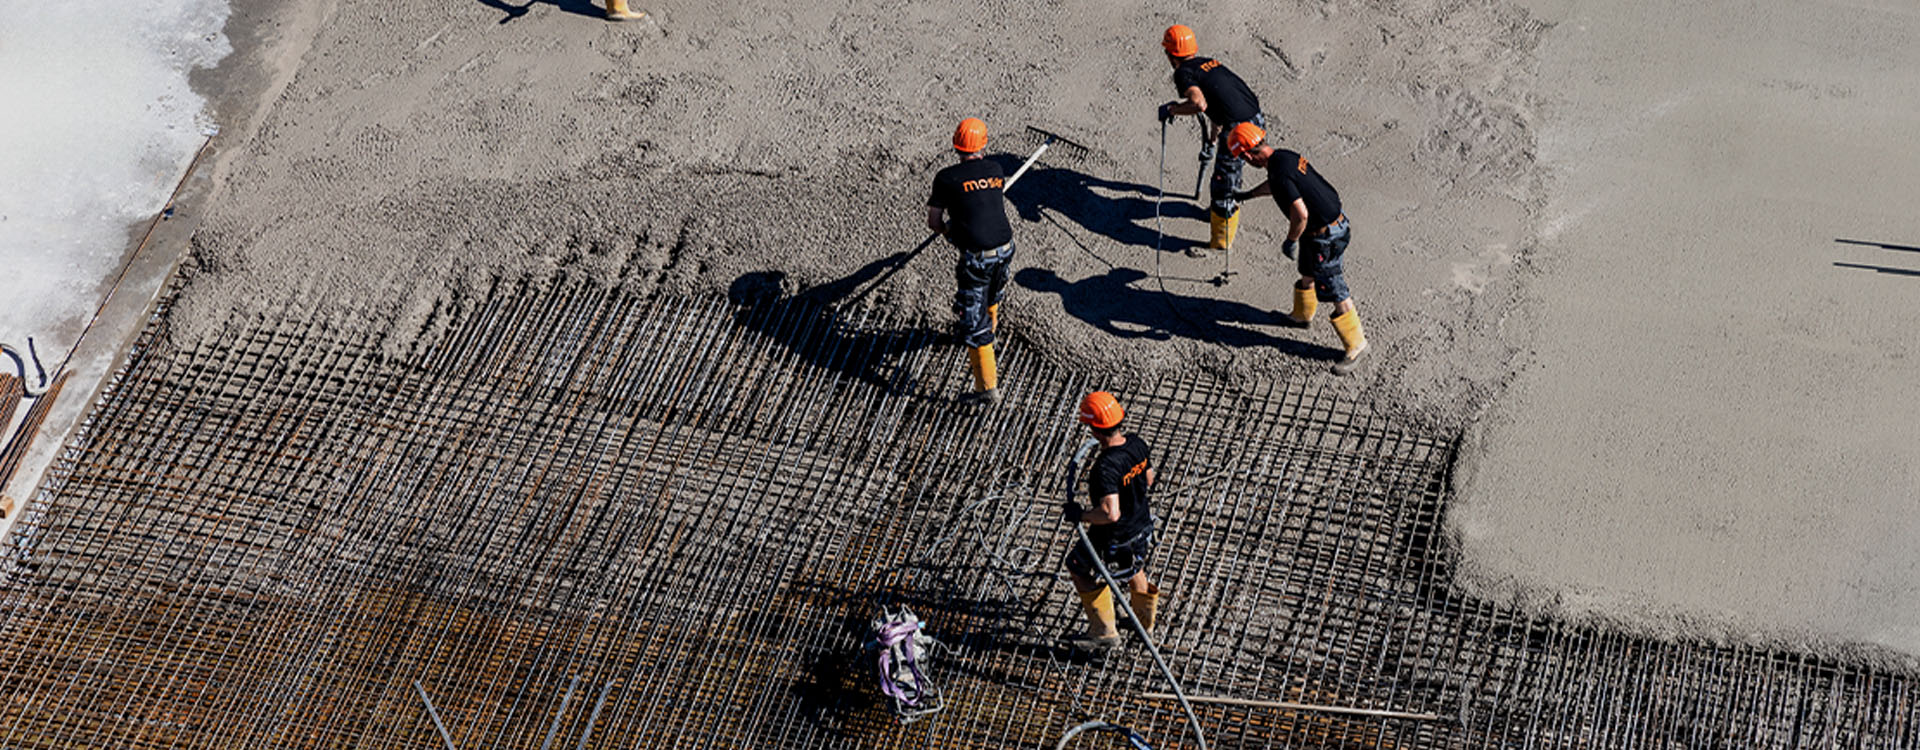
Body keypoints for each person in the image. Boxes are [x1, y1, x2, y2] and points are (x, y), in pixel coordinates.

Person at [1227, 123, 1369, 374]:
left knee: (1334, 287)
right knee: (1307, 270)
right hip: (1326, 227)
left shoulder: (1279, 173)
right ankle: (1301, 317)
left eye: (1243, 158)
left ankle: (1357, 345)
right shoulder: (1283, 157)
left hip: (1326, 235)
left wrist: (1291, 240)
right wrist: (1246, 195)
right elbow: (1276, 186)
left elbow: (1300, 215)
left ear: (1248, 155)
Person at [1153, 24, 1267, 259]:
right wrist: (1212, 141)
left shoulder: (1183, 73)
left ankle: (1220, 243)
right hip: (1254, 118)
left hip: (1238, 129)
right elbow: (1219, 107)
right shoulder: (1209, 63)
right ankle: (1219, 213)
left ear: (1170, 54)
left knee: (1222, 185)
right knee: (1229, 176)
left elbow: (1199, 104)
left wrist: (1172, 110)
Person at [1061, 392, 1160, 650]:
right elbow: (1148, 479)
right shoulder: (1138, 444)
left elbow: (1109, 513)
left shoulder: (1105, 467)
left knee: (1076, 566)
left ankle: (1104, 632)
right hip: (1141, 525)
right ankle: (1144, 625)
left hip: (1115, 536)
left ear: (1094, 429)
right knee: (1134, 567)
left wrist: (1080, 515)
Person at [927, 118, 1016, 404]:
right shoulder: (996, 169)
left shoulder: (946, 178)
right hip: (1006, 247)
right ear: (984, 145)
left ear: (956, 145)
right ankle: (992, 332)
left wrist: (949, 231)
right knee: (994, 293)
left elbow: (934, 222)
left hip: (977, 257)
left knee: (973, 318)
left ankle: (986, 389)